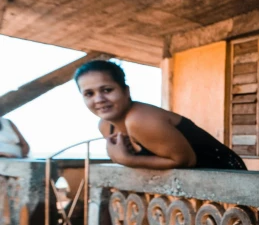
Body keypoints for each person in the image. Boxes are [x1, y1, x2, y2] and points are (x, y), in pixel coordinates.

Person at [74, 60, 246, 170]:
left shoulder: (139, 119)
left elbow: (186, 161)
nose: (99, 99)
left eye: (107, 90)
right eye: (89, 94)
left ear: (126, 91)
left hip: (227, 173)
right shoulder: (105, 126)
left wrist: (127, 160)